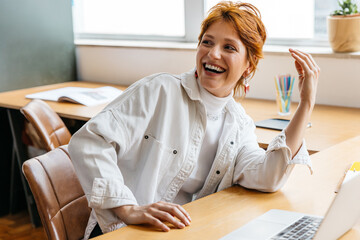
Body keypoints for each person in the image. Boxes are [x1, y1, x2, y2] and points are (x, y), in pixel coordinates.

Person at [69, 1, 320, 238]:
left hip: (181, 232)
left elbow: (268, 177)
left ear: (248, 65)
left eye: (229, 47)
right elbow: (89, 141)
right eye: (207, 42)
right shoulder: (159, 90)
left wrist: (306, 104)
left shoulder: (239, 124)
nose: (213, 54)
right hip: (124, 230)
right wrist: (127, 208)